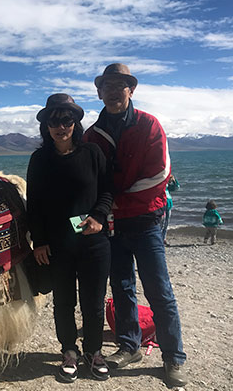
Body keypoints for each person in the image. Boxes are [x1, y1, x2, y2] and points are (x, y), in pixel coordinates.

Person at [83, 63, 188, 387]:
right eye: (107, 86)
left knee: (159, 288)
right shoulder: (91, 135)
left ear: (131, 90)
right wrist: (84, 218)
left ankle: (173, 357)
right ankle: (130, 346)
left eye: (120, 85)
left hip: (144, 222)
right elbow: (89, 183)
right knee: (122, 286)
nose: (113, 92)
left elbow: (158, 177)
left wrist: (111, 204)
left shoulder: (149, 125)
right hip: (112, 226)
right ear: (100, 93)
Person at [27, 94, 113, 382]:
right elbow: (34, 203)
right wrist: (38, 241)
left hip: (93, 242)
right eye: (54, 121)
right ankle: (69, 352)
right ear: (46, 126)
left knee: (93, 301)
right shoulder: (40, 159)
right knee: (64, 301)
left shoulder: (92, 153)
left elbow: (107, 190)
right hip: (58, 244)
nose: (60, 126)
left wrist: (100, 217)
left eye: (66, 120)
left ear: (75, 123)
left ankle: (94, 352)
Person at [162, 174, 180, 246]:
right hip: (162, 205)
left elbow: (177, 187)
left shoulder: (168, 188)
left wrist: (174, 181)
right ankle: (159, 239)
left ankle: (163, 238)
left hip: (168, 206)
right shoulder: (162, 187)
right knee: (161, 223)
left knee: (166, 223)